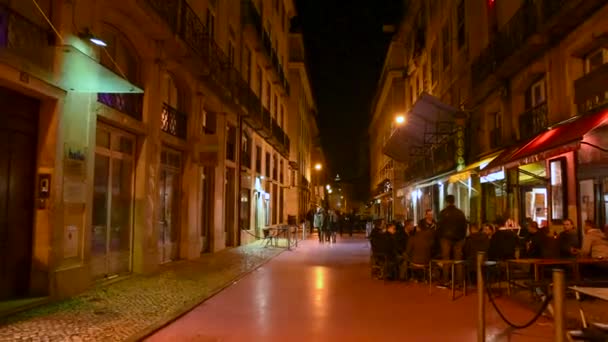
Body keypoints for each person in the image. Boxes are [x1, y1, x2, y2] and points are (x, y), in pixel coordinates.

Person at [437, 194, 467, 286]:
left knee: (446, 259)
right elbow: (464, 226)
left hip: (445, 238)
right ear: (454, 201)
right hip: (458, 239)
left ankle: (446, 280)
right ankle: (460, 281)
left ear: (446, 202)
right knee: (458, 260)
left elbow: (439, 227)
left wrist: (440, 236)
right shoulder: (460, 213)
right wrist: (462, 237)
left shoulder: (443, 213)